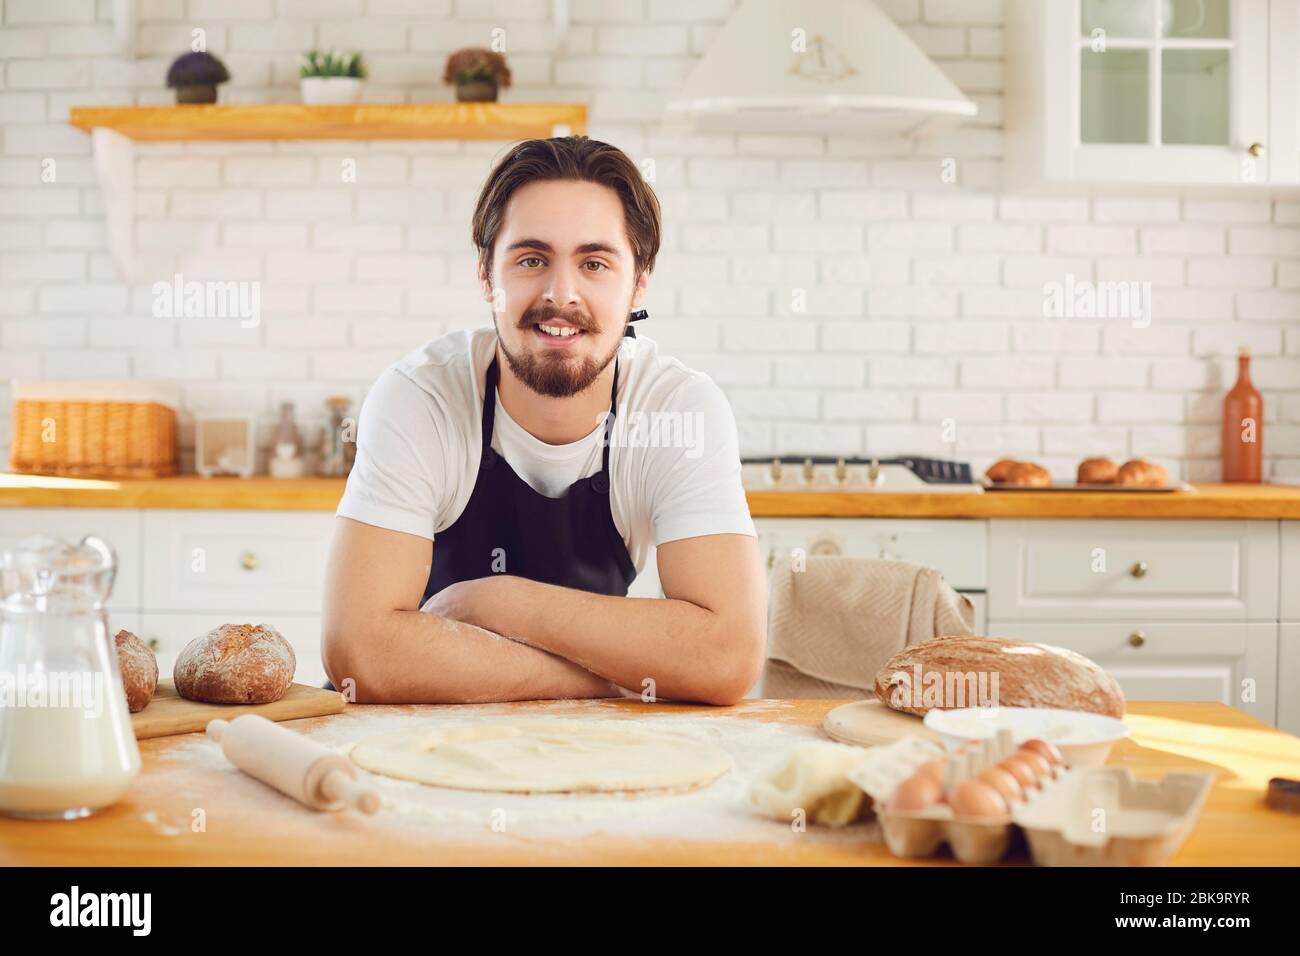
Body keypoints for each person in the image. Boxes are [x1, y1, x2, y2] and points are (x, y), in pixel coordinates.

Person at [321, 136, 766, 704]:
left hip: (583, 753)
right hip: (405, 742)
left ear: (639, 284)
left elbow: (727, 657)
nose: (561, 294)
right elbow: (361, 654)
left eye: (595, 263)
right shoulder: (420, 397)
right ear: (486, 275)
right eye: (531, 259)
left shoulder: (676, 410)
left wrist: (501, 600)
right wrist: (608, 679)